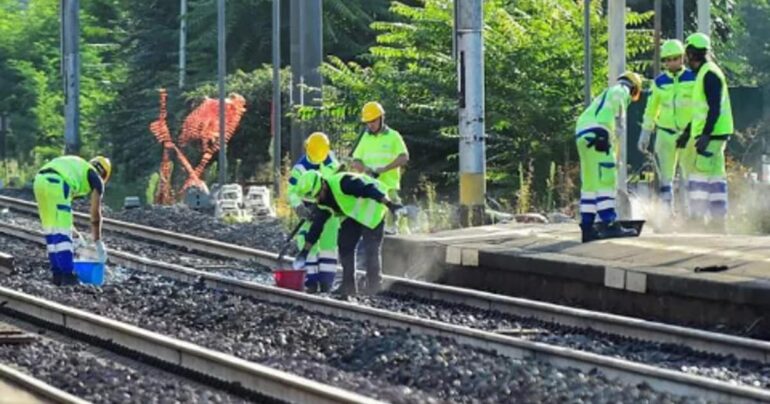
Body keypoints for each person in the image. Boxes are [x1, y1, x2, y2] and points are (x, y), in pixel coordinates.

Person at [292, 170, 402, 296]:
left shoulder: (343, 182)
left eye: (317, 195)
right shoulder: (322, 202)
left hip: (373, 212)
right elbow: (316, 227)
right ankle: (348, 287)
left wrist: (390, 204)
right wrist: (304, 252)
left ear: (323, 185)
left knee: (371, 250)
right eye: (314, 198)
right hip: (353, 216)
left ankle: (375, 286)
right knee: (345, 247)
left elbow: (369, 189)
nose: (317, 199)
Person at [575, 72, 643, 242]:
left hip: (582, 133)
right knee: (606, 180)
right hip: (599, 134)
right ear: (633, 88)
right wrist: (606, 137)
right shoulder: (621, 91)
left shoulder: (605, 93)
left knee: (590, 183)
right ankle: (610, 223)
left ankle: (587, 227)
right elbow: (617, 118)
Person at [677, 32, 734, 233]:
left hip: (712, 135)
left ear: (692, 54)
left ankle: (698, 219)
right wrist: (687, 132)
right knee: (716, 176)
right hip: (715, 134)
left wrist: (706, 134)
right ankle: (719, 221)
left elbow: (714, 108)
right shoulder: (707, 72)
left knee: (699, 175)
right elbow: (701, 110)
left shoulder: (708, 74)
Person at [638, 39, 696, 219]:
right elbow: (651, 109)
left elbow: (700, 106)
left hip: (688, 134)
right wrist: (645, 133)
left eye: (675, 58)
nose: (671, 62)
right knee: (665, 177)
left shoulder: (693, 78)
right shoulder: (659, 82)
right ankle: (666, 215)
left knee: (689, 175)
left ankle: (689, 214)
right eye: (668, 59)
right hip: (665, 133)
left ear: (682, 58)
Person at [33, 155, 111, 285]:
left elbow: (65, 208)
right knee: (62, 233)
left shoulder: (78, 167)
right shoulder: (96, 179)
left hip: (39, 181)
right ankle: (68, 276)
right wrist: (98, 241)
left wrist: (76, 233)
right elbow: (95, 215)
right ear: (104, 175)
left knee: (51, 230)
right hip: (57, 183)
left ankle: (57, 275)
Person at [287, 132, 340, 292]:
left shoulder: (333, 165)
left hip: (328, 212)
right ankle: (311, 282)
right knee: (307, 244)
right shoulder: (300, 168)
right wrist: (299, 207)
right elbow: (292, 191)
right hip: (308, 211)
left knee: (328, 247)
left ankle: (326, 283)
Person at [351, 101, 409, 234]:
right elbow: (356, 160)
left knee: (392, 203)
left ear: (381, 118)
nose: (370, 124)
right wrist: (365, 169)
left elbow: (404, 157)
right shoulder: (365, 138)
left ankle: (392, 230)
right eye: (368, 121)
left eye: (373, 120)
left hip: (388, 183)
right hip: (369, 184)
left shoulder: (393, 136)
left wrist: (384, 169)